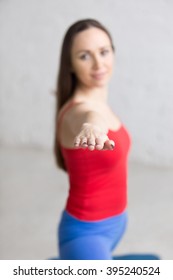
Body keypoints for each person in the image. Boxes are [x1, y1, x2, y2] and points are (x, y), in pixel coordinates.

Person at [54, 19, 131, 260]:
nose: (99, 63)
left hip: (116, 225)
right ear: (71, 65)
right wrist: (93, 128)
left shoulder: (100, 102)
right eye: (84, 56)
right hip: (85, 235)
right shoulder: (78, 111)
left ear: (113, 53)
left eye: (104, 52)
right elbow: (89, 117)